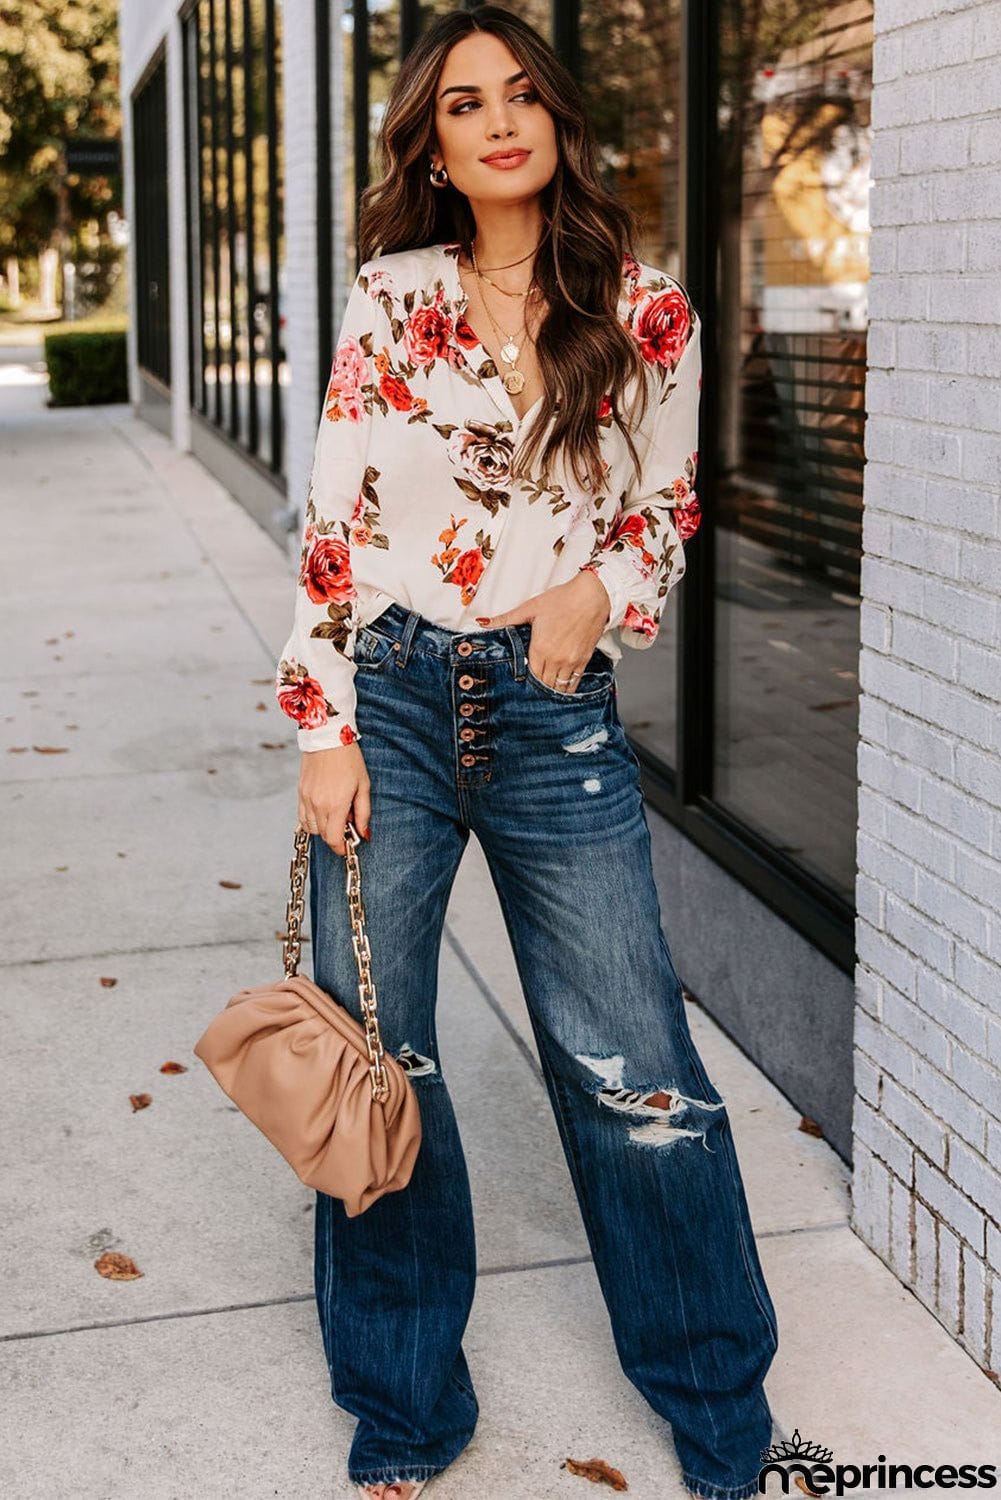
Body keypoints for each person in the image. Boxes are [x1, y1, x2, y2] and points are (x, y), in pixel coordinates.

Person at [275, 7, 779, 1498]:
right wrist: (322, 726)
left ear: (556, 118)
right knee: (381, 1059)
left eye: (519, 96)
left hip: (554, 718)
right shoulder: (390, 296)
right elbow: (335, 520)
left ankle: (715, 1398)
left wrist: (595, 593)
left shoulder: (648, 310)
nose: (497, 122)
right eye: (462, 106)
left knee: (634, 1069)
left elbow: (667, 503)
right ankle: (405, 1404)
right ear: (431, 148)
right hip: (391, 699)